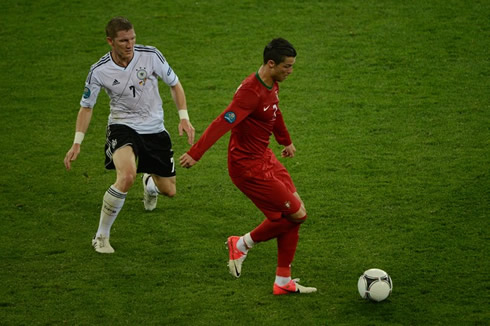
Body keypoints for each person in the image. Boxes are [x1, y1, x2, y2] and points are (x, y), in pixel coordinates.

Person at [179, 38, 316, 295]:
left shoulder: (271, 83)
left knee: (296, 214)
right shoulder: (250, 93)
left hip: (265, 158)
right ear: (271, 64)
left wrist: (285, 141)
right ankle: (241, 244)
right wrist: (196, 153)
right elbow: (223, 121)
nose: (291, 71)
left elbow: (274, 111)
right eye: (287, 67)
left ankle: (282, 281)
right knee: (297, 215)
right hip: (247, 167)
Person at [64, 17, 195, 254]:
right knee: (126, 176)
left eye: (132, 38)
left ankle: (150, 184)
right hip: (122, 126)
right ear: (110, 42)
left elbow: (174, 84)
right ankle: (101, 236)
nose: (130, 44)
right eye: (124, 40)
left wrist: (183, 117)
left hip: (154, 128)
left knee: (170, 191)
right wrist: (77, 143)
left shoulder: (151, 55)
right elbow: (87, 106)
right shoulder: (99, 70)